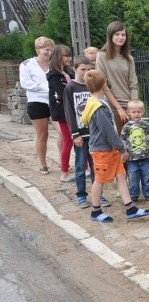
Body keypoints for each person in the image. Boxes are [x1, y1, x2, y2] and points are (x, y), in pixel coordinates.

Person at [79, 70, 149, 223]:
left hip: (108, 149)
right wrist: (121, 148)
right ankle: (95, 211)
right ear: (102, 84)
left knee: (121, 175)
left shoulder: (96, 103)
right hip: (102, 150)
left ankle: (130, 208)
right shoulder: (98, 107)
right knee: (100, 179)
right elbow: (108, 131)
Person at [63, 55, 111, 209]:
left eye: (89, 69)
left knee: (96, 166)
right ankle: (82, 195)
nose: (86, 73)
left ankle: (97, 194)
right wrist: (74, 134)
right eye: (83, 69)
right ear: (75, 69)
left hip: (94, 135)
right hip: (80, 135)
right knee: (80, 165)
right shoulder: (70, 88)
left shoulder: (92, 87)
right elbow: (69, 112)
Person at [19, 36, 54, 175]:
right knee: (42, 134)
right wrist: (44, 88)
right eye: (46, 49)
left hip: (54, 101)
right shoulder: (27, 64)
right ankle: (43, 164)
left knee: (63, 133)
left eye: (51, 49)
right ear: (38, 49)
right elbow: (26, 83)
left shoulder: (54, 64)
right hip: (37, 101)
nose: (49, 52)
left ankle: (65, 162)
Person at [96, 21, 138, 134]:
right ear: (110, 36)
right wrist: (119, 108)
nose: (121, 37)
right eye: (117, 34)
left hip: (129, 107)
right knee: (117, 146)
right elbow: (103, 85)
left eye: (123, 34)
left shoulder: (129, 59)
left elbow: (133, 85)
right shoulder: (101, 56)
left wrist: (133, 108)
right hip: (112, 107)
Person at [47, 44, 75, 182]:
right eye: (66, 55)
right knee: (68, 140)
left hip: (73, 109)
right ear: (58, 57)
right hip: (61, 111)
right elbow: (61, 91)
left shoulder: (69, 72)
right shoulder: (53, 74)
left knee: (81, 138)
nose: (69, 58)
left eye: (69, 55)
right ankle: (64, 172)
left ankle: (86, 168)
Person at [121, 99, 149, 203]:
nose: (136, 114)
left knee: (147, 176)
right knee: (133, 178)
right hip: (132, 159)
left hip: (145, 157)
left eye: (139, 112)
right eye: (133, 112)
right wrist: (123, 152)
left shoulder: (147, 125)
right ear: (128, 112)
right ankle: (134, 195)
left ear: (143, 111)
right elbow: (122, 140)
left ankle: (148, 194)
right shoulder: (126, 127)